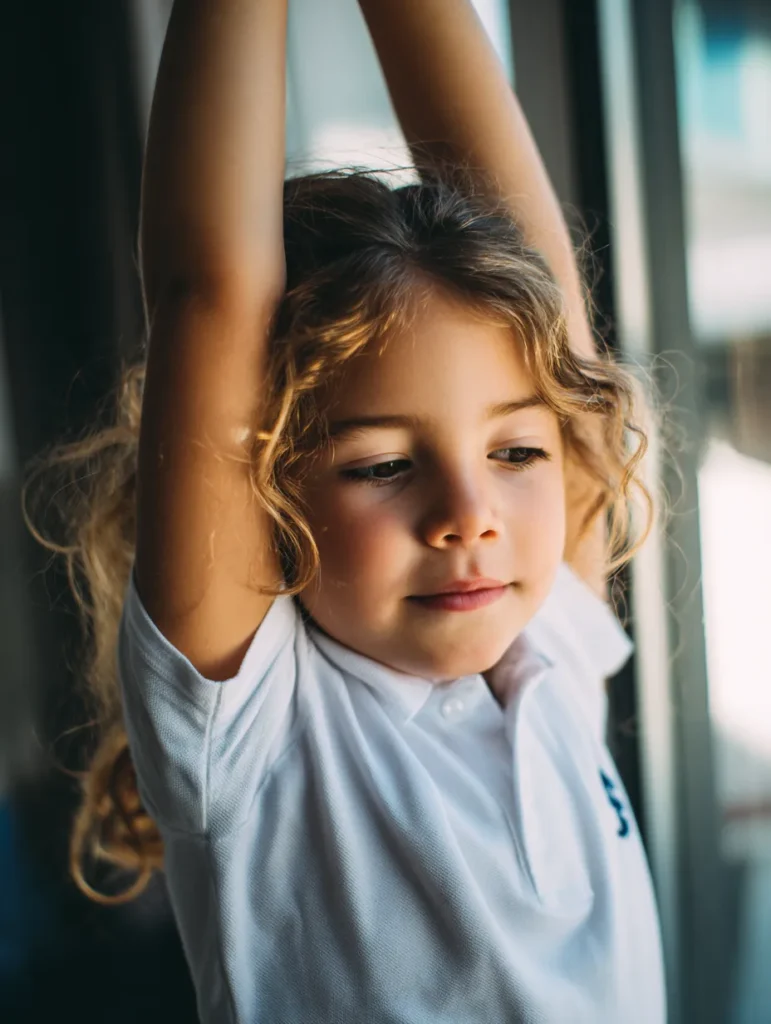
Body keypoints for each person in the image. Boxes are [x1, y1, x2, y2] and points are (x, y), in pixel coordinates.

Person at [25, 0, 665, 1020]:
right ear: (269, 491)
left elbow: (556, 314)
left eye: (514, 449)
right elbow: (211, 292)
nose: (470, 513)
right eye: (380, 465)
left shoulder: (549, 649)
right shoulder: (257, 725)